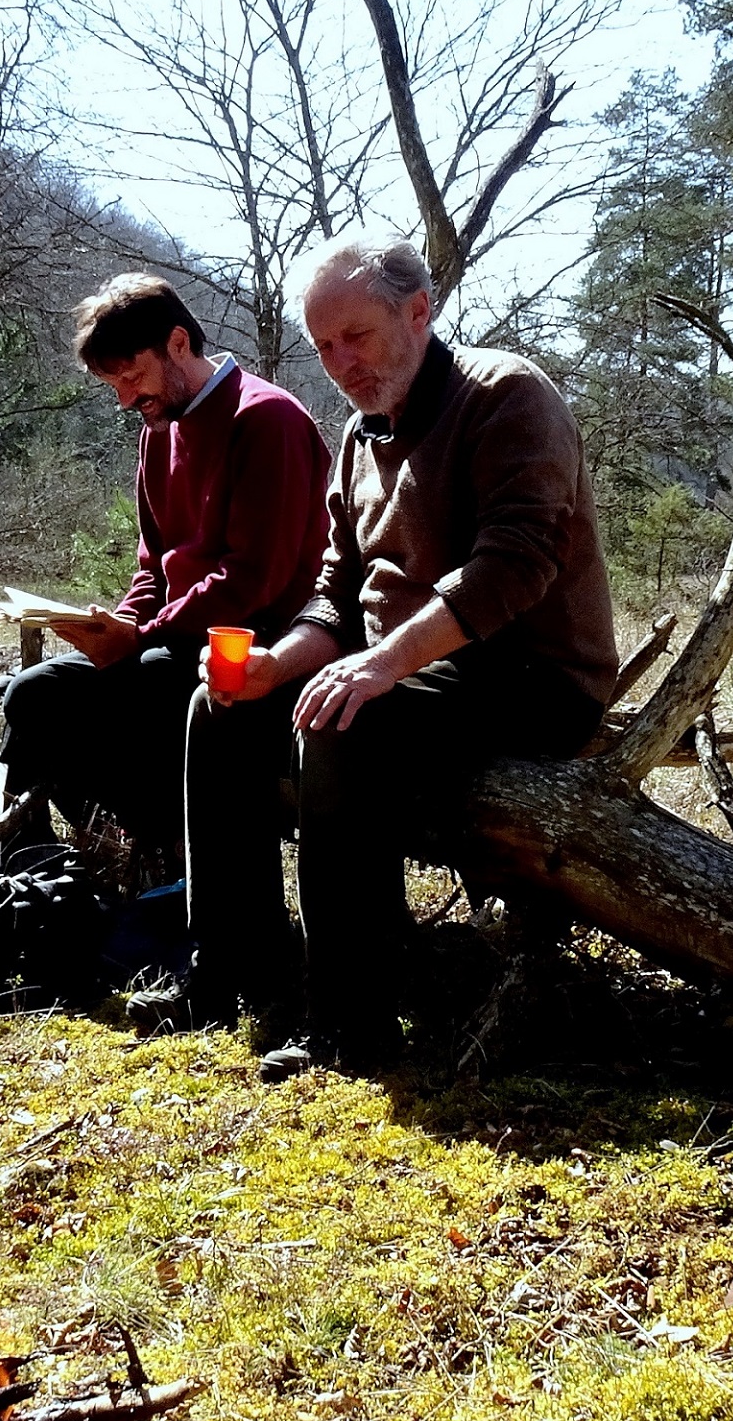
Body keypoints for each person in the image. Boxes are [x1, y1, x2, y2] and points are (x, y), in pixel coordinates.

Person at [186, 233, 618, 1077]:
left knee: (346, 721)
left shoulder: (505, 396)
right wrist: (279, 664)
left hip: (529, 674)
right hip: (409, 666)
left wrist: (382, 664)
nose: (340, 362)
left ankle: (352, 1018)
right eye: (323, 347)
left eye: (357, 336)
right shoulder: (358, 437)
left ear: (419, 313)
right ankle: (232, 970)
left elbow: (515, 564)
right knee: (223, 706)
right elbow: (335, 597)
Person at [0, 275, 330, 872]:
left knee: (139, 696)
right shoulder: (160, 429)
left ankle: (174, 864)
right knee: (32, 697)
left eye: (131, 377)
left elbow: (255, 578)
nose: (126, 399)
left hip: (261, 649)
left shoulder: (266, 420)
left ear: (179, 343)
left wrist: (142, 638)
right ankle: (140, 848)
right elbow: (154, 564)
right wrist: (120, 623)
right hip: (177, 641)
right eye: (114, 385)